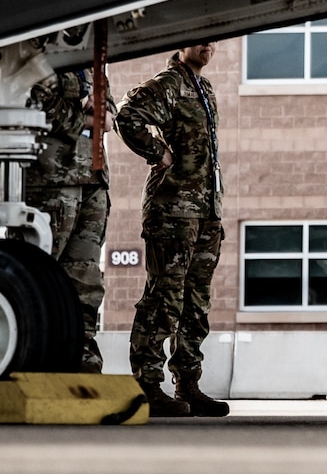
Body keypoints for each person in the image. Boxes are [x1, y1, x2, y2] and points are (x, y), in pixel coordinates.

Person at [116, 41, 228, 419]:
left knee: (196, 301)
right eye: (199, 40)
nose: (206, 46)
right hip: (173, 209)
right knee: (165, 296)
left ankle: (188, 383)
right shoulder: (169, 83)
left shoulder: (204, 87)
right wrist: (156, 152)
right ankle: (147, 384)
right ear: (181, 45)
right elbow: (127, 116)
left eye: (212, 41)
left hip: (205, 210)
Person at [25, 67, 114, 374]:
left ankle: (82, 356)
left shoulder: (92, 63)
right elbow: (38, 106)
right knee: (39, 272)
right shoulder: (42, 58)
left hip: (93, 177)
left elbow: (110, 118)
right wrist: (86, 116)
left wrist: (91, 114)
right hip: (52, 178)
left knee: (85, 275)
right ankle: (30, 354)